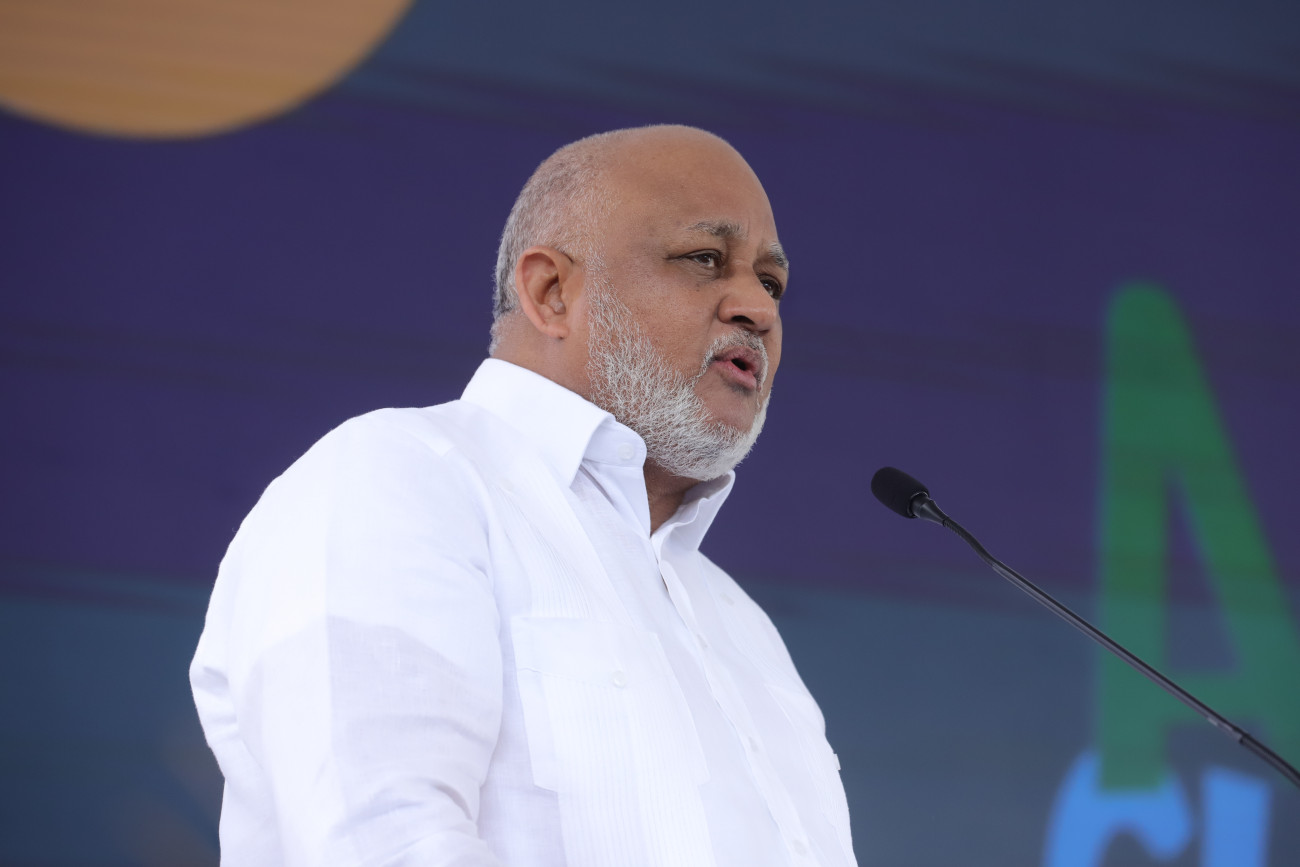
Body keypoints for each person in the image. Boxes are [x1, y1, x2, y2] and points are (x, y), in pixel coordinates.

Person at [191, 125, 857, 867]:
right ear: (551, 292)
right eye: (704, 258)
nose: (758, 309)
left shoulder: (741, 623)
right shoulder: (402, 479)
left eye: (771, 283)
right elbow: (382, 839)